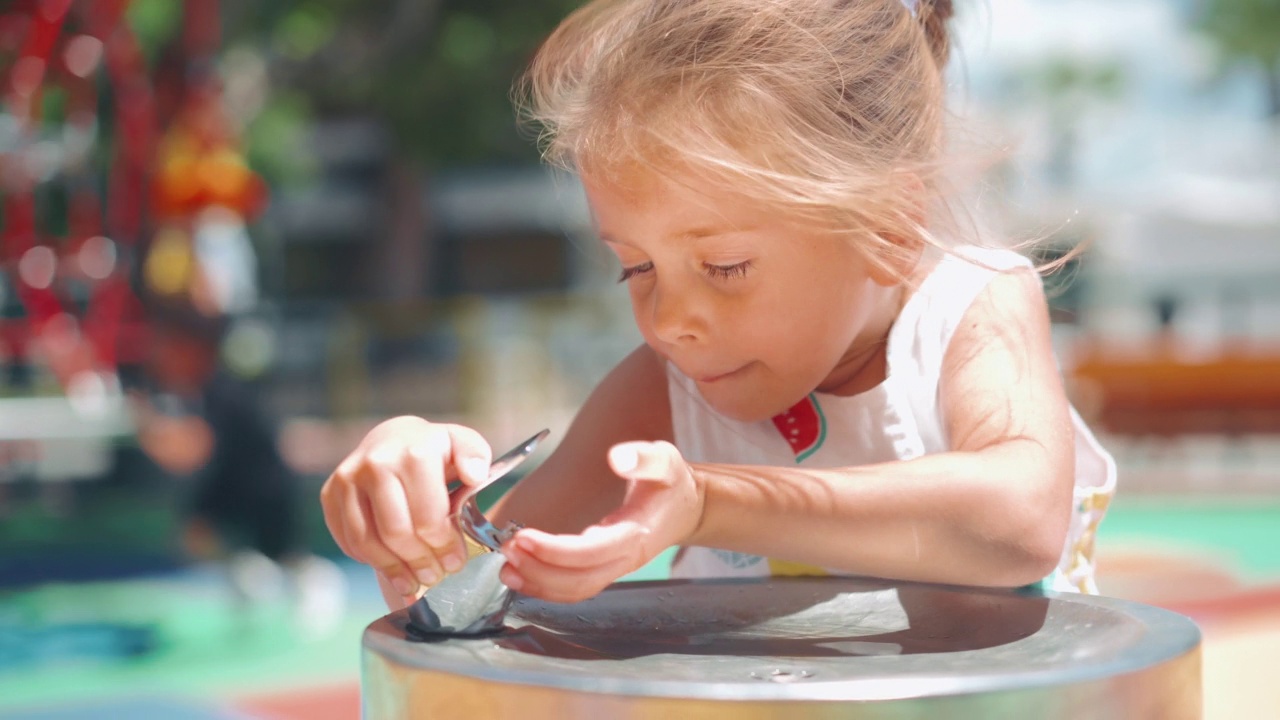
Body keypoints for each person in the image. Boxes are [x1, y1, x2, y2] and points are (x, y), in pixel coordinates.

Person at [321, 0, 1116, 611]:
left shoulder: (971, 311)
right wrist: (415, 505)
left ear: (886, 224)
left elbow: (1017, 520)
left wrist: (711, 505)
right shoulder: (663, 396)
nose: (671, 321)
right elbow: (489, 580)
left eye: (725, 266)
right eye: (634, 268)